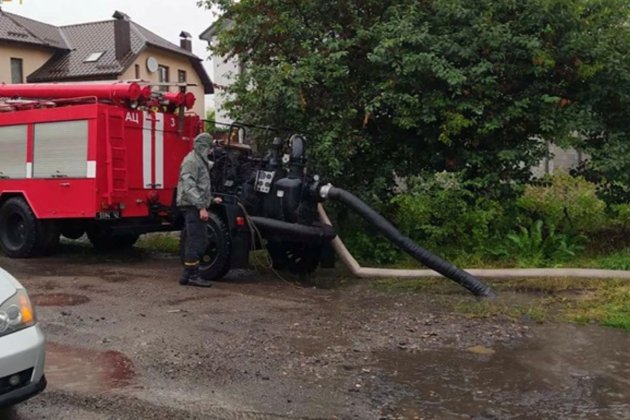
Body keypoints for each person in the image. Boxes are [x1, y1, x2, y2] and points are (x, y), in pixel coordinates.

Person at [176, 133, 222, 287]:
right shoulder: (191, 162)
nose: (210, 151)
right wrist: (202, 206)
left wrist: (210, 200)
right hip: (192, 206)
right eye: (209, 147)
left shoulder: (199, 161)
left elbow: (201, 186)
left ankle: (186, 276)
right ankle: (193, 276)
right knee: (197, 241)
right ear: (202, 146)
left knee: (196, 240)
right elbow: (189, 186)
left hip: (194, 204)